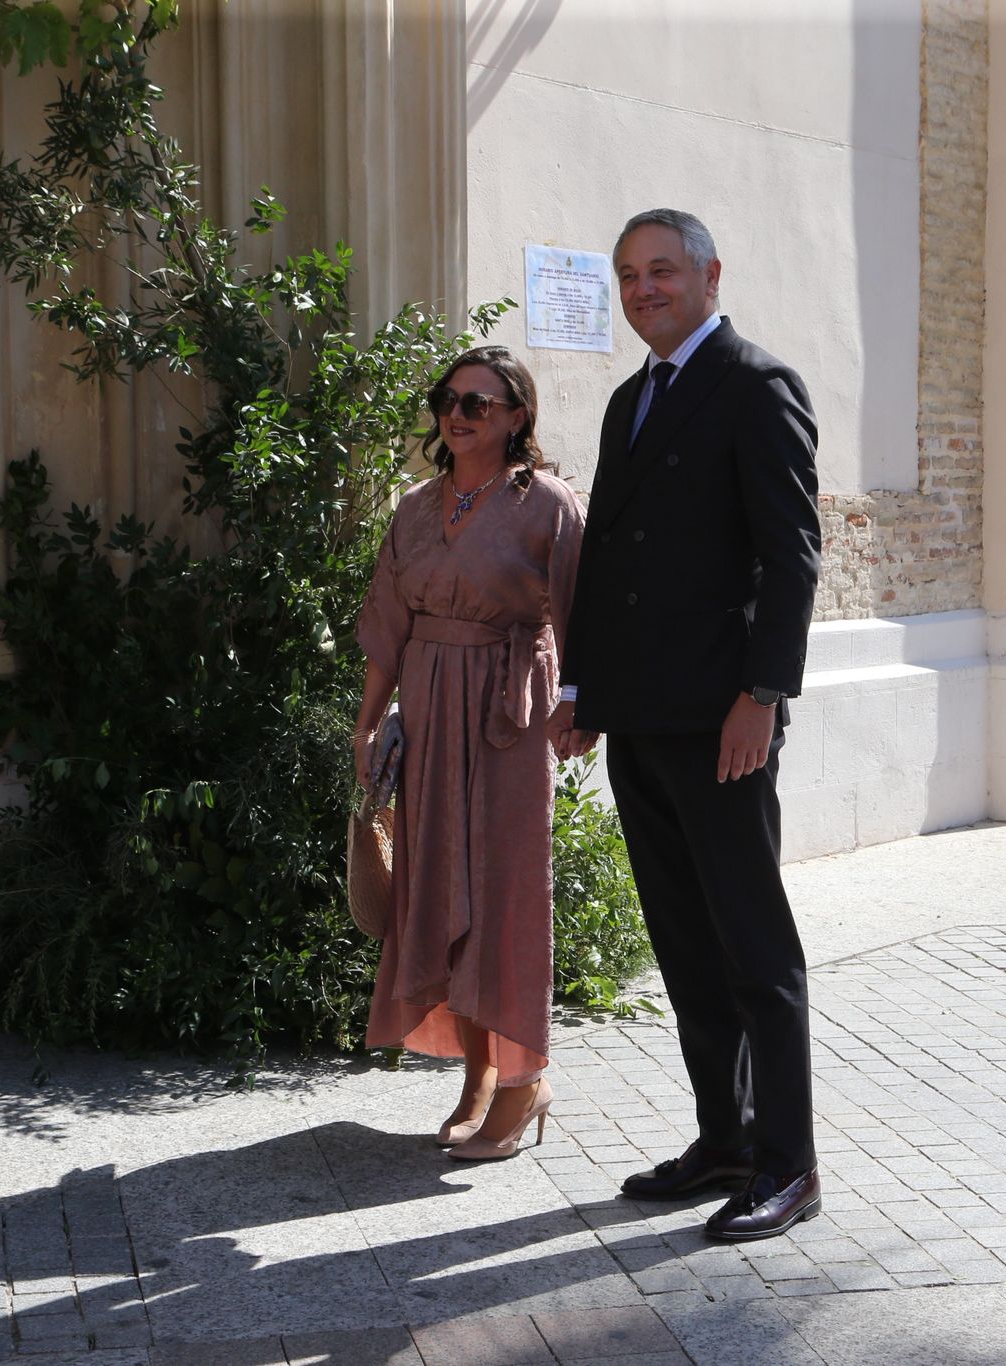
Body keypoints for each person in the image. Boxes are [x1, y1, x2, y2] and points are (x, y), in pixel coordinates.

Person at [551, 207, 823, 1243]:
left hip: (722, 722)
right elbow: (609, 565)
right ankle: (726, 1137)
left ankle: (788, 1164)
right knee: (684, 946)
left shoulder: (755, 386)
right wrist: (582, 691)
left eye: (660, 270)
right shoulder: (631, 400)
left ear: (710, 273)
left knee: (754, 948)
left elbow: (789, 555)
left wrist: (761, 695)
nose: (642, 289)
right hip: (642, 722)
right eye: (627, 275)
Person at [353, 345, 586, 1161]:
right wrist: (368, 722)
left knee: (504, 894)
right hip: (426, 709)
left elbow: (583, 613)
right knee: (440, 890)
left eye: (478, 403)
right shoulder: (415, 507)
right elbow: (388, 624)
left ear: (516, 417)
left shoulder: (546, 503)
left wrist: (576, 708)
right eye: (448, 399)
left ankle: (525, 1084)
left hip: (506, 718)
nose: (456, 413)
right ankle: (477, 1076)